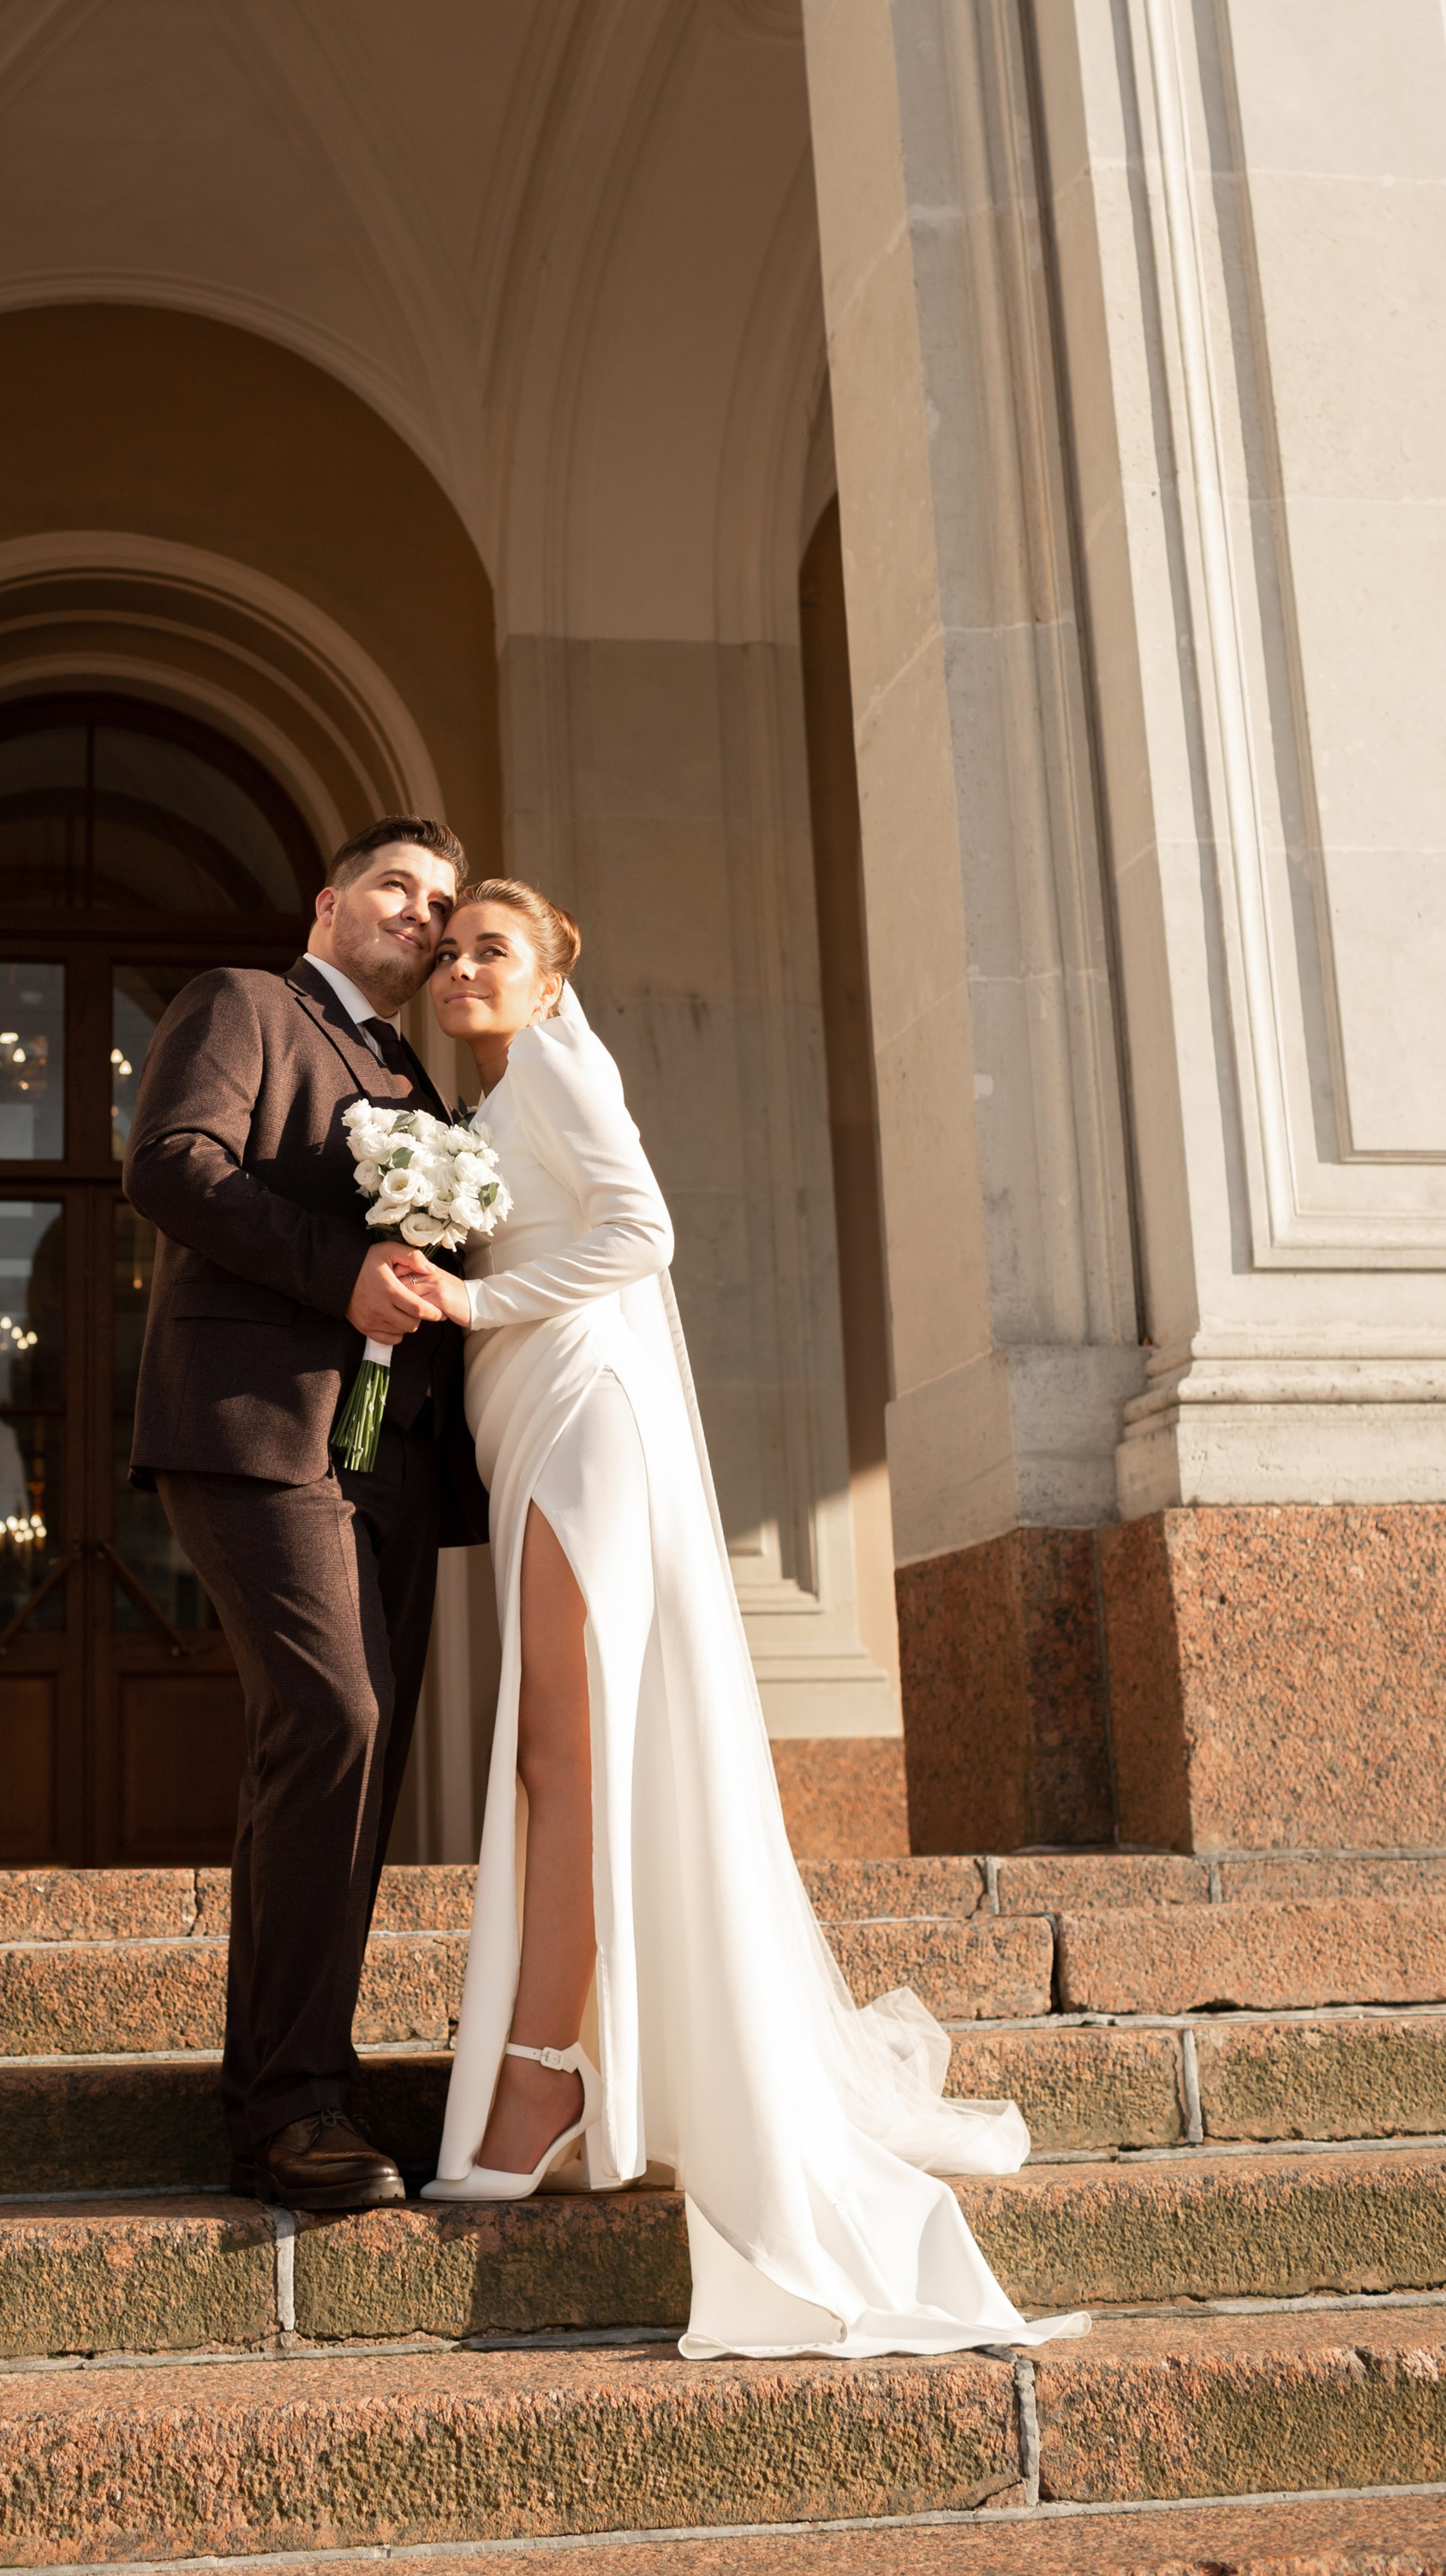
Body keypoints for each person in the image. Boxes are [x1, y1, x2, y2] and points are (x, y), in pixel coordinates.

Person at [410, 879, 1084, 2360]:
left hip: (589, 1413)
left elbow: (642, 1233)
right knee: (558, 1750)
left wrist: (471, 1312)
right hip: (532, 1411)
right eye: (451, 952)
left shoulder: (567, 1070)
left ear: (548, 974)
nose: (463, 968)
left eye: (493, 952)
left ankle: (549, 2070)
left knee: (562, 1750)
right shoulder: (494, 1098)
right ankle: (572, 2059)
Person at [121, 817, 481, 2212]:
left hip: (389, 1455)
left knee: (360, 1755)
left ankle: (302, 2077)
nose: (421, 912)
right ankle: (288, 2108)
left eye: (441, 902)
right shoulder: (248, 1005)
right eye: (398, 885)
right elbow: (173, 1163)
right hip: (257, 1427)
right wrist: (341, 1274)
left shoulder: (413, 1078)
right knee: (336, 1715)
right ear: (330, 901)